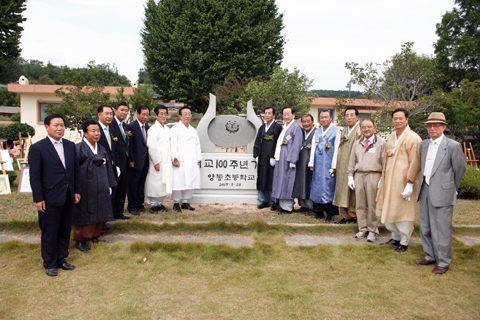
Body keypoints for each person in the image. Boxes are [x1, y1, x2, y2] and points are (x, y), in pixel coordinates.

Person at [28, 114, 81, 277]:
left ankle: (61, 259)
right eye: (56, 125)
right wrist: (38, 198)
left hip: (67, 195)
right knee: (50, 230)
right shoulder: (38, 148)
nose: (60, 128)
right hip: (49, 196)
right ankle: (50, 263)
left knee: (65, 229)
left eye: (62, 125)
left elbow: (75, 171)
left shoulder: (70, 146)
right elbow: (35, 176)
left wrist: (76, 190)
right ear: (47, 127)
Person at [416, 112, 466, 274]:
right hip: (425, 189)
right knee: (425, 225)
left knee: (442, 228)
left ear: (444, 127)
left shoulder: (452, 146)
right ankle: (430, 255)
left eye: (436, 125)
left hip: (443, 191)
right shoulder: (424, 145)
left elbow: (459, 170)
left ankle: (443, 261)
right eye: (430, 125)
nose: (432, 128)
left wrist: (450, 188)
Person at [376, 108, 422, 253]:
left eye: (400, 118)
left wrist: (410, 182)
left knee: (403, 211)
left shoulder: (414, 138)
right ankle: (394, 236)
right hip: (389, 181)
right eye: (395, 118)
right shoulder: (390, 137)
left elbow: (416, 162)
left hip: (403, 182)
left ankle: (404, 240)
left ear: (407, 119)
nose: (397, 121)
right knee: (390, 207)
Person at [72, 120, 117, 253]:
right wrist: (76, 188)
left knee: (101, 210)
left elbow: (108, 166)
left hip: (101, 185)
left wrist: (109, 183)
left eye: (98, 131)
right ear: (85, 133)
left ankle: (95, 235)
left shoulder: (101, 148)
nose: (96, 133)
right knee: (86, 212)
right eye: (93, 131)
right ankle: (81, 240)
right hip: (86, 186)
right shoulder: (78, 148)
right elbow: (74, 169)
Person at [347, 118, 386, 242]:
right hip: (359, 175)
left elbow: (385, 162)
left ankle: (373, 230)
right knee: (360, 203)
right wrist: (350, 176)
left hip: (374, 175)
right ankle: (362, 228)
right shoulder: (357, 143)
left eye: (369, 126)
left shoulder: (381, 143)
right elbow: (352, 160)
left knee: (372, 204)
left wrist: (382, 178)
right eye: (363, 127)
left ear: (374, 127)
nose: (366, 129)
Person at [308, 109, 341, 221]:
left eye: (326, 117)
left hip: (328, 163)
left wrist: (334, 166)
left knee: (328, 187)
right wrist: (311, 162)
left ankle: (330, 213)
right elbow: (313, 147)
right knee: (317, 186)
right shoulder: (317, 132)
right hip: (318, 164)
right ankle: (318, 211)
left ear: (331, 118)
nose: (324, 119)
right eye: (322, 117)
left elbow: (337, 149)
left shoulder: (336, 132)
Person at [333, 107, 362, 224]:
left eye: (351, 115)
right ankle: (345, 215)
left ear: (357, 117)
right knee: (341, 189)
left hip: (353, 165)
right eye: (347, 115)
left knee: (352, 191)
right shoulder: (344, 131)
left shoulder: (359, 131)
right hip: (342, 165)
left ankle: (354, 215)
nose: (349, 118)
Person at [271, 107, 303, 214]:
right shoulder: (284, 127)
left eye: (288, 114)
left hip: (288, 161)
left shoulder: (296, 128)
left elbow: (296, 145)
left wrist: (293, 160)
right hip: (281, 160)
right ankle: (282, 205)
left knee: (288, 183)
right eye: (284, 115)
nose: (286, 117)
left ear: (293, 115)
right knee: (280, 182)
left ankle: (288, 207)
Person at [170, 106, 201, 212]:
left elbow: (197, 145)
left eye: (189, 114)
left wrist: (198, 158)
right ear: (180, 116)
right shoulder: (175, 129)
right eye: (185, 114)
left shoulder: (193, 130)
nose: (187, 116)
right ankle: (176, 203)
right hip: (180, 161)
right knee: (178, 182)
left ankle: (185, 202)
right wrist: (174, 158)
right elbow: (172, 145)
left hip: (191, 160)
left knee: (190, 181)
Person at [253, 107, 282, 210]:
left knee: (271, 179)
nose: (267, 115)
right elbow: (257, 141)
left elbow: (277, 144)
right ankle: (264, 200)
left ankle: (275, 202)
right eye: (265, 113)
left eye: (269, 113)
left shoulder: (277, 128)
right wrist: (256, 155)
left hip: (271, 159)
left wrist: (273, 156)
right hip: (261, 157)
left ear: (274, 115)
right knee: (262, 178)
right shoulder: (262, 127)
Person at [145, 105, 173, 213]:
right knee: (155, 182)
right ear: (156, 115)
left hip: (167, 160)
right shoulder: (153, 129)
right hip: (157, 160)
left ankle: (160, 203)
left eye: (165, 113)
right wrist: (156, 161)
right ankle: (153, 205)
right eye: (161, 113)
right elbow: (151, 146)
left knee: (164, 183)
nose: (163, 116)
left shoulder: (167, 129)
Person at [97, 104, 120, 231]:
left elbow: (114, 150)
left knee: (112, 193)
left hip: (112, 167)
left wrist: (116, 165)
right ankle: (99, 222)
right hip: (100, 167)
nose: (109, 116)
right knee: (102, 194)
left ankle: (105, 220)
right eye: (106, 113)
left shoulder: (111, 130)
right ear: (99, 114)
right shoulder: (95, 129)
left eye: (111, 114)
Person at [126, 105, 150, 215]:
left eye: (147, 115)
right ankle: (132, 207)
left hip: (144, 161)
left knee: (141, 184)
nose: (145, 117)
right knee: (133, 185)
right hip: (135, 162)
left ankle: (140, 204)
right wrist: (131, 159)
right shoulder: (130, 127)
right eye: (143, 114)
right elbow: (129, 145)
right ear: (138, 114)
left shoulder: (147, 127)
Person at [109, 101, 131, 220]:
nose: (124, 112)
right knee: (114, 189)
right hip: (115, 163)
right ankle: (111, 213)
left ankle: (119, 212)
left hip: (125, 162)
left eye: (126, 110)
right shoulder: (110, 125)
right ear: (115, 110)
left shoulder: (125, 126)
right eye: (122, 110)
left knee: (122, 189)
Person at [292, 114, 316, 216]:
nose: (306, 124)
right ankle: (303, 205)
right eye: (304, 122)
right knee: (301, 183)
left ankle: (311, 207)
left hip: (311, 163)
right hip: (301, 162)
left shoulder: (316, 133)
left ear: (312, 122)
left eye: (308, 121)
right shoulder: (301, 132)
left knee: (309, 184)